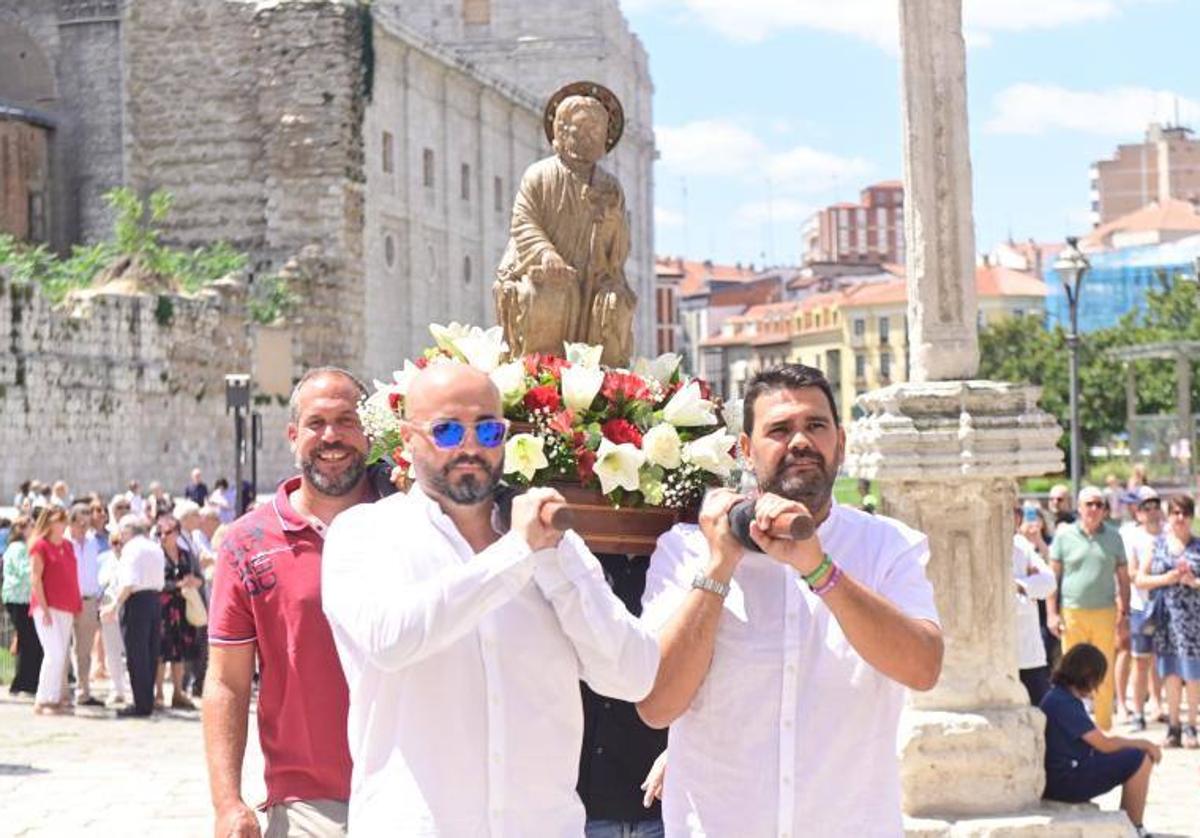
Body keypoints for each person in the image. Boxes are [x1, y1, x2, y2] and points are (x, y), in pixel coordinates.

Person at [322, 363, 659, 834]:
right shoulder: (365, 533)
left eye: (487, 428)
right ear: (407, 439)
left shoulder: (553, 544)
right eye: (446, 430)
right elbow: (391, 639)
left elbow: (633, 676)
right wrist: (517, 554)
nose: (470, 446)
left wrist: (555, 566)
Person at [636, 364, 942, 835]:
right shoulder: (687, 550)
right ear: (744, 450)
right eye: (779, 429)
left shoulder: (889, 546)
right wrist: (719, 566)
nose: (800, 441)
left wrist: (822, 571)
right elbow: (657, 705)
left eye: (815, 426)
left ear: (839, 440)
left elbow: (923, 667)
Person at [204, 367, 379, 838]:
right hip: (310, 804)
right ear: (292, 435)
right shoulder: (247, 542)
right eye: (317, 423)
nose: (332, 436)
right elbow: (227, 681)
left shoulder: (411, 522)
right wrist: (227, 802)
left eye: (347, 421)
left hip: (417, 790)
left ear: (370, 432)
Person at [494, 83, 636, 366]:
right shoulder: (539, 175)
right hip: (541, 267)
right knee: (545, 298)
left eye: (597, 130)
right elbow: (524, 220)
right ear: (562, 130)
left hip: (596, 275)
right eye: (582, 128)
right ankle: (539, 380)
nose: (590, 136)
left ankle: (607, 385)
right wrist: (547, 254)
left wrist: (609, 219)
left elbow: (619, 246)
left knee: (614, 304)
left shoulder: (610, 186)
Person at [1040, 643, 1159, 835]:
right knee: (1139, 759)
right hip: (1065, 781)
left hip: (1061, 776)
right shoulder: (1063, 702)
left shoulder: (1058, 696)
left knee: (1134, 755)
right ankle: (1134, 827)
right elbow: (1104, 744)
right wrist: (1143, 744)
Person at [1049, 485, 1131, 731]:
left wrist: (1124, 614)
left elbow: (1124, 579)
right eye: (1089, 504)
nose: (1094, 509)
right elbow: (1053, 579)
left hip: (1105, 612)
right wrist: (1052, 613)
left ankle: (1104, 727)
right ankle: (1075, 727)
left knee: (1103, 671)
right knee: (1071, 673)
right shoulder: (1064, 536)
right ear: (1079, 508)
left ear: (1105, 509)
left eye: (1099, 504)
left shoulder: (1114, 537)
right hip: (1072, 612)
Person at [1135, 493, 1200, 749]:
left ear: (1191, 516)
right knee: (1170, 673)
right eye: (1175, 513)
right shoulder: (1158, 545)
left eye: (1184, 513)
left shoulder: (1197, 545)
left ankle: (1191, 725)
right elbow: (1140, 579)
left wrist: (1193, 583)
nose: (1180, 518)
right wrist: (1167, 579)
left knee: (1193, 674)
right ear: (1168, 516)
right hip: (1166, 621)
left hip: (1194, 622)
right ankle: (1173, 726)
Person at [102, 514, 165, 717]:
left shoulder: (131, 549)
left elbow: (128, 583)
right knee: (150, 653)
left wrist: (114, 606)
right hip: (155, 600)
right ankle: (146, 700)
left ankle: (141, 704)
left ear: (127, 531)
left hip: (136, 602)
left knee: (136, 654)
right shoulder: (154, 546)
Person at [28, 506, 82, 715]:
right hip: (46, 607)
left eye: (64, 519)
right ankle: (43, 699)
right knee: (55, 653)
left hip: (66, 607)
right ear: (48, 522)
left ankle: (55, 697)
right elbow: (35, 579)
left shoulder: (68, 546)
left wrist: (76, 603)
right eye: (58, 519)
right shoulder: (40, 546)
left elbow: (71, 575)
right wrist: (44, 608)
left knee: (61, 654)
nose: (63, 523)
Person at [1123, 486, 1166, 731]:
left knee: (1164, 660)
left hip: (1167, 607)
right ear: (1138, 512)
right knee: (1140, 662)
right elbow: (1131, 574)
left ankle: (1158, 706)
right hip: (1142, 607)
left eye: (1155, 506)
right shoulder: (1132, 537)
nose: (1151, 512)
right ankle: (1138, 712)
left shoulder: (1169, 533)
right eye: (1145, 507)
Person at [155, 514, 202, 710]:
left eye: (167, 532)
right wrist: (177, 584)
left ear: (177, 533)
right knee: (160, 652)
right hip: (162, 609)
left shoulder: (185, 554)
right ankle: (158, 693)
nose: (163, 536)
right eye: (160, 533)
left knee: (179, 652)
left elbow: (199, 577)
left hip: (182, 608)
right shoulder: (156, 554)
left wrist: (194, 582)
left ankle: (177, 692)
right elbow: (156, 582)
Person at [1013, 505, 1057, 705]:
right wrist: (1028, 588)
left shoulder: (1022, 545)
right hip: (999, 657)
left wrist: (1019, 585)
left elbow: (1048, 582)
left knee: (1040, 715)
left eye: (1016, 512)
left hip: (1029, 654)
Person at [66, 503, 106, 707]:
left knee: (84, 651)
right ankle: (62, 692)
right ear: (71, 521)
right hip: (65, 600)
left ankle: (84, 692)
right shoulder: (64, 541)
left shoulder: (92, 542)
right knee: (62, 649)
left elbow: (94, 570)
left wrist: (99, 594)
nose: (84, 525)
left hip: (89, 600)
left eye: (86, 521)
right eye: (80, 521)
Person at [3, 517, 43, 695]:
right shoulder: (18, 548)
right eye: (31, 526)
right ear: (21, 529)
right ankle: (24, 682)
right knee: (28, 641)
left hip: (25, 599)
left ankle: (26, 681)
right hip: (18, 599)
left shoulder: (26, 546)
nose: (34, 528)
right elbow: (25, 571)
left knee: (29, 640)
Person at [96, 530, 132, 707]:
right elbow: (98, 583)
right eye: (114, 542)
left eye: (121, 542)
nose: (118, 546)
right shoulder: (103, 559)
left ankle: (132, 687)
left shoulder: (131, 559)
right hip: (107, 605)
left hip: (127, 605)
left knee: (129, 648)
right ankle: (117, 689)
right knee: (111, 651)